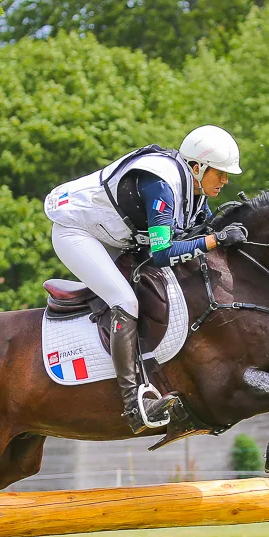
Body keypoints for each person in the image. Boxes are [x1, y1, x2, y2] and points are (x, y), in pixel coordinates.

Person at [43, 125, 250, 433]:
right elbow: (163, 252)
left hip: (113, 236)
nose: (225, 181)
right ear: (197, 168)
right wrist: (214, 240)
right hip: (77, 232)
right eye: (219, 173)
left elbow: (195, 234)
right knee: (124, 300)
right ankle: (133, 405)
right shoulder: (161, 185)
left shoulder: (194, 193)